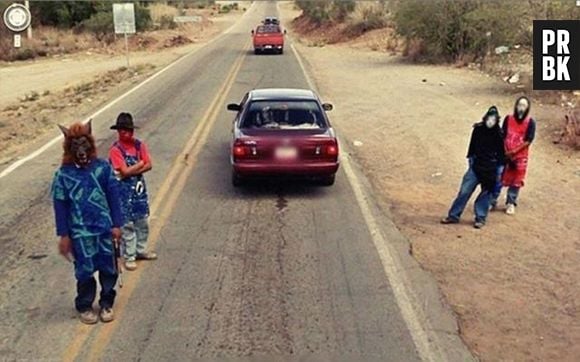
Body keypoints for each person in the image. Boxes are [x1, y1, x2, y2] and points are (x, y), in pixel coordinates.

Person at [51, 121, 123, 324]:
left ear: (90, 146)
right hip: (80, 233)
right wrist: (64, 235)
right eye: (75, 146)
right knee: (84, 269)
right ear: (69, 148)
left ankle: (107, 303)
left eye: (84, 145)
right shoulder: (63, 175)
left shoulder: (103, 168)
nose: (81, 151)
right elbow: (60, 205)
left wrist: (117, 224)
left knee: (109, 267)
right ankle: (84, 305)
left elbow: (113, 196)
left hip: (104, 228)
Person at [441, 106, 505, 228]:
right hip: (476, 166)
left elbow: (501, 154)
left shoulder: (498, 134)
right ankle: (453, 216)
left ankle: (480, 218)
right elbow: (472, 148)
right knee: (464, 191)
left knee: (486, 194)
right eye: (489, 118)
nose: (490, 121)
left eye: (493, 119)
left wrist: (498, 171)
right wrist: (471, 162)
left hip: (490, 168)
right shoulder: (478, 130)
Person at [109, 112, 157, 271]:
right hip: (122, 193)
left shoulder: (139, 145)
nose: (125, 133)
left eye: (127, 130)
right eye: (122, 130)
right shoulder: (115, 150)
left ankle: (140, 250)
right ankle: (129, 256)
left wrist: (133, 169)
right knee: (127, 225)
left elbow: (149, 165)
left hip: (138, 191)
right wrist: (139, 165)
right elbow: (124, 172)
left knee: (142, 221)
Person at [490, 96, 536, 215]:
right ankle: (492, 200)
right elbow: (502, 135)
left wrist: (514, 152)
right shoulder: (508, 119)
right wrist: (505, 150)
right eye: (519, 105)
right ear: (516, 106)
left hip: (520, 156)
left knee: (516, 180)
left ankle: (511, 202)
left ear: (527, 108)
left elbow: (528, 140)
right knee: (498, 177)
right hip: (505, 154)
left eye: (524, 106)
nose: (521, 108)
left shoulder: (530, 122)